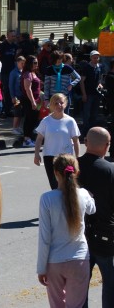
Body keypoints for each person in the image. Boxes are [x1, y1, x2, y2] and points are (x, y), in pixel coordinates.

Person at [37, 154, 95, 308]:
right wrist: (88, 195)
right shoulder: (83, 194)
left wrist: (41, 268)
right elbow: (92, 209)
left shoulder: (47, 199)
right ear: (76, 172)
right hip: (79, 259)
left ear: (55, 173)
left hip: (54, 262)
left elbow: (44, 237)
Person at [77, 127, 114, 308]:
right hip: (105, 233)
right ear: (107, 145)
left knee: (81, 283)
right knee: (110, 281)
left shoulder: (72, 167)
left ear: (86, 142)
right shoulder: (110, 170)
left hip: (77, 233)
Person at [34, 93, 81, 189]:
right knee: (54, 185)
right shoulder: (46, 121)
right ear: (51, 105)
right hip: (49, 157)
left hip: (66, 157)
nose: (59, 105)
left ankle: (67, 203)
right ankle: (58, 203)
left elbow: (76, 141)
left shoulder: (70, 121)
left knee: (67, 184)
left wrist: (77, 157)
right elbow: (39, 139)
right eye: (56, 103)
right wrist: (36, 154)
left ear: (66, 104)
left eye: (61, 103)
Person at [79, 50, 105, 134]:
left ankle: (93, 130)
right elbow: (82, 81)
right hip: (88, 93)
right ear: (91, 58)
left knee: (94, 113)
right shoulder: (86, 67)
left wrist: (100, 84)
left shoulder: (100, 67)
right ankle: (85, 130)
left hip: (97, 93)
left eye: (97, 57)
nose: (96, 59)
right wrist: (84, 94)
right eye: (94, 57)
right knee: (87, 113)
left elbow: (100, 78)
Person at [21, 55, 42, 148]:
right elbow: (28, 89)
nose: (37, 64)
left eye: (37, 62)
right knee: (29, 120)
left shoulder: (33, 73)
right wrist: (33, 102)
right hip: (29, 101)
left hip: (36, 100)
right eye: (35, 63)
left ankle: (29, 138)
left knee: (34, 119)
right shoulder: (27, 74)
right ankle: (26, 140)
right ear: (29, 63)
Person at [0, 30, 19, 116]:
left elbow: (15, 58)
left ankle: (10, 109)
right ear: (7, 36)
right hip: (4, 71)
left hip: (13, 70)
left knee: (13, 90)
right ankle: (4, 109)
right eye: (12, 36)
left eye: (14, 36)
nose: (13, 37)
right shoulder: (3, 46)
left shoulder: (15, 46)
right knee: (5, 90)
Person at [9, 56, 25, 135]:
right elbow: (11, 85)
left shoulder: (22, 71)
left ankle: (18, 127)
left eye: (24, 63)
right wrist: (13, 96)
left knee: (20, 112)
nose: (23, 64)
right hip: (16, 96)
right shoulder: (13, 72)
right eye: (21, 63)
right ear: (17, 62)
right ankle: (14, 127)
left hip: (22, 95)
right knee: (17, 112)